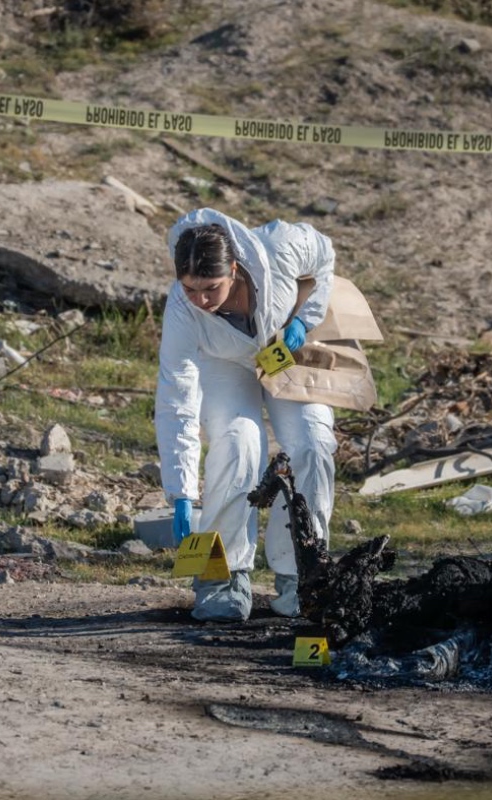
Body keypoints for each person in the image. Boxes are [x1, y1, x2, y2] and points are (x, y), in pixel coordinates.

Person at [155, 208, 337, 622]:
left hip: (281, 350)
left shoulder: (281, 248)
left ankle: (302, 575)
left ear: (234, 269)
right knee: (239, 443)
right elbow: (176, 400)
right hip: (222, 363)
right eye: (189, 288)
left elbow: (325, 258)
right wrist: (181, 492)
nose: (200, 299)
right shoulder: (183, 311)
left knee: (313, 444)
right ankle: (223, 577)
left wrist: (303, 322)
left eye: (210, 288)